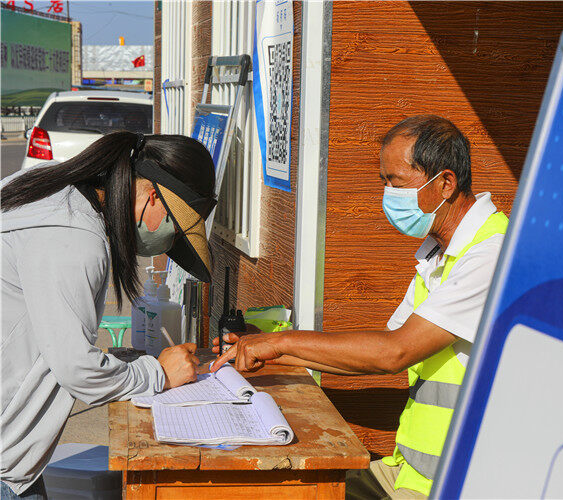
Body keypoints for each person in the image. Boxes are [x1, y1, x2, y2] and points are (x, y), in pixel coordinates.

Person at [212, 115, 509, 498]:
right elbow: (378, 347)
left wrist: (281, 344)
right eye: (384, 181)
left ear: (446, 183)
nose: (388, 195)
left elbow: (394, 353)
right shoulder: (438, 253)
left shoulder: (490, 254)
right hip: (409, 469)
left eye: (397, 182)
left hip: (459, 480)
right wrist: (262, 350)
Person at [1, 132, 218, 499]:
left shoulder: (53, 190)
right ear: (153, 196)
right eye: (174, 230)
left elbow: (42, 327)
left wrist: (118, 362)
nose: (165, 244)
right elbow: (77, 370)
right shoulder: (75, 237)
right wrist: (158, 374)